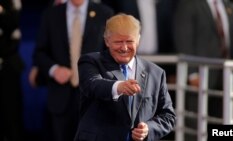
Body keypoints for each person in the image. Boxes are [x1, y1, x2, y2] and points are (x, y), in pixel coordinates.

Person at [74, 13, 176, 141]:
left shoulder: (155, 73)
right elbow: (92, 85)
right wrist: (119, 87)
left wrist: (148, 129)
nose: (124, 48)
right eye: (118, 42)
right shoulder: (91, 61)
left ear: (138, 40)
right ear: (107, 41)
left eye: (129, 41)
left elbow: (168, 116)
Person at [32, 0, 113, 141]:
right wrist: (54, 69)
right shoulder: (51, 14)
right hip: (60, 98)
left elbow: (110, 53)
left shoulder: (105, 13)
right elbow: (40, 53)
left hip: (93, 97)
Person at [174, 0, 233, 140]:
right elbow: (184, 39)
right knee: (196, 126)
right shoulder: (189, 4)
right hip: (200, 78)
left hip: (225, 78)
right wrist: (192, 73)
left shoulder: (229, 6)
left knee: (221, 124)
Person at [0, 0, 24, 141]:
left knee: (11, 117)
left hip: (8, 66)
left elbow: (14, 21)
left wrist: (2, 11)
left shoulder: (11, 4)